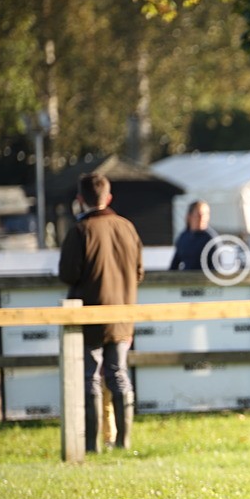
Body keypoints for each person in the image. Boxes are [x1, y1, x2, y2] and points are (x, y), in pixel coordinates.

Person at [58, 172, 144, 452]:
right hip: (122, 316)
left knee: (90, 378)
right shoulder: (127, 227)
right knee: (118, 374)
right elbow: (139, 272)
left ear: (80, 199)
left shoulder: (80, 231)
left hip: (90, 316)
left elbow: (68, 273)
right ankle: (123, 442)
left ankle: (92, 445)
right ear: (108, 197)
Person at [168, 200, 217, 271]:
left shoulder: (211, 239)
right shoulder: (183, 237)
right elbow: (174, 265)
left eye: (205, 215)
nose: (202, 218)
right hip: (187, 279)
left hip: (204, 280)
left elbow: (216, 268)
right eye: (199, 215)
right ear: (189, 216)